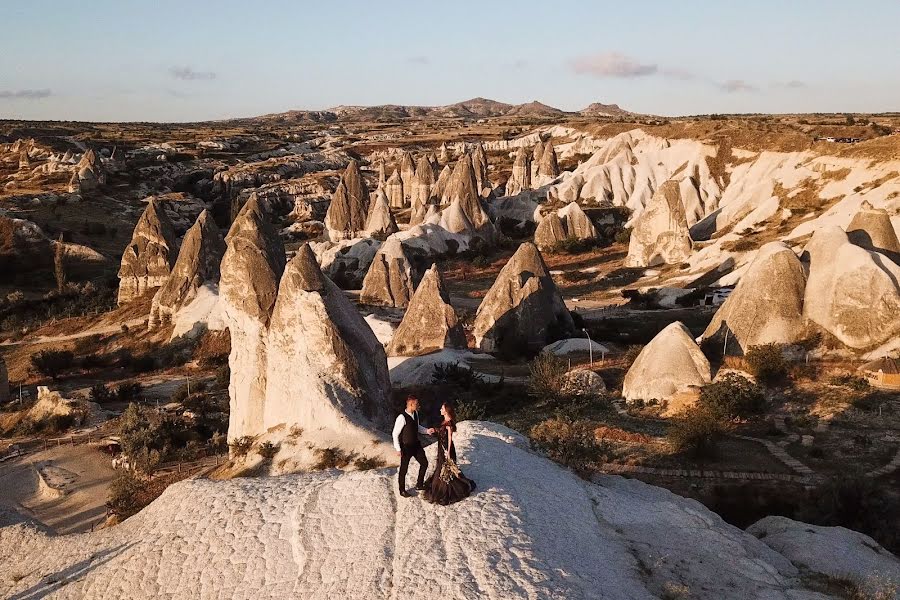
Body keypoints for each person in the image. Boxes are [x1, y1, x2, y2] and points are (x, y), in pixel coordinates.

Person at [423, 401, 476, 505]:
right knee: (441, 467)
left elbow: (449, 439)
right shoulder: (445, 421)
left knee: (446, 469)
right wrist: (435, 430)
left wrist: (447, 453)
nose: (440, 410)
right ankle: (440, 486)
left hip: (446, 449)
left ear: (446, 411)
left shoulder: (449, 423)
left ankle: (446, 489)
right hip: (442, 447)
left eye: (442, 409)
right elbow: (442, 432)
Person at [392, 395, 434, 498]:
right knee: (403, 469)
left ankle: (419, 484)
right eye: (417, 404)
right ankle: (402, 490)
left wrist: (427, 431)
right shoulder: (401, 417)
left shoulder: (415, 413)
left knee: (424, 463)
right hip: (406, 447)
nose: (418, 405)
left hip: (416, 445)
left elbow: (417, 427)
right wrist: (398, 449)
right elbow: (395, 434)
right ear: (411, 404)